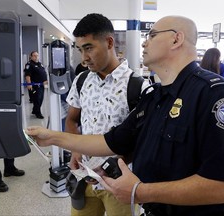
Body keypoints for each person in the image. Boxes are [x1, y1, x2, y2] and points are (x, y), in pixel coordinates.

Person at [26, 15, 224, 216]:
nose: (145, 42)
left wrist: (140, 191)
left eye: (152, 35)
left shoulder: (215, 96)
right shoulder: (155, 97)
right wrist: (53, 137)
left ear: (176, 39)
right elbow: (111, 141)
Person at [65, 13, 148, 216]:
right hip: (84, 179)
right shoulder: (82, 81)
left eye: (89, 48)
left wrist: (113, 165)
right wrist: (75, 150)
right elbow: (72, 120)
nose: (84, 58)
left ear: (109, 42)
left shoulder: (137, 86)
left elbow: (144, 139)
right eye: (80, 49)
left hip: (119, 183)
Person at [24, 51, 48, 119]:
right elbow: (27, 75)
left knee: (41, 99)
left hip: (41, 85)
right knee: (37, 99)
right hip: (35, 86)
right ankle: (38, 113)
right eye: (34, 55)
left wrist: (45, 81)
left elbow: (43, 73)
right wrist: (29, 84)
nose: (36, 57)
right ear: (31, 57)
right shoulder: (29, 64)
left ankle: (35, 110)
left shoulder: (40, 64)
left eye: (37, 55)